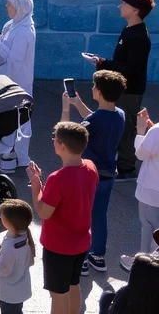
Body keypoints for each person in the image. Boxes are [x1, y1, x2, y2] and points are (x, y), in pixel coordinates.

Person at [28, 121, 98, 314]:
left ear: (63, 146)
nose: (53, 142)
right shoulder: (91, 167)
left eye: (55, 139)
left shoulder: (57, 178)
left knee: (58, 293)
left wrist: (36, 186)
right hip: (81, 241)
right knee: (73, 284)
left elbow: (43, 212)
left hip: (59, 246)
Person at [62, 69, 126, 275]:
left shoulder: (95, 120)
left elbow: (72, 134)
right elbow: (95, 118)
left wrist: (66, 108)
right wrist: (78, 103)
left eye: (93, 86)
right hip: (108, 174)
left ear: (98, 91)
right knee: (99, 216)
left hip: (88, 176)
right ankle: (97, 256)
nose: (92, 88)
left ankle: (81, 258)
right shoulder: (119, 114)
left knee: (81, 214)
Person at [94, 0, 151, 180]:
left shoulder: (139, 36)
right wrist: (104, 63)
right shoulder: (128, 30)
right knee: (120, 124)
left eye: (125, 4)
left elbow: (132, 68)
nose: (120, 6)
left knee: (127, 128)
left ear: (135, 10)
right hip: (121, 88)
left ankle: (127, 168)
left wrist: (105, 64)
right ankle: (122, 164)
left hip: (130, 90)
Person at [0, 0, 36, 172]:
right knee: (20, 118)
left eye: (10, 4)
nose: (6, 6)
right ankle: (18, 157)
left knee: (16, 118)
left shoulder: (23, 32)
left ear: (19, 8)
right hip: (14, 80)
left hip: (16, 81)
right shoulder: (15, 25)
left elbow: (15, 60)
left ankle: (9, 153)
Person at [127, 107, 159, 271]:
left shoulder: (156, 132)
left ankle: (144, 264)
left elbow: (140, 154)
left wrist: (141, 131)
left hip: (151, 190)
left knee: (149, 226)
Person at [0, 199, 36, 314]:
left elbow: (4, 270)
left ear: (8, 222)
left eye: (1, 216)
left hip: (9, 293)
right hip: (20, 289)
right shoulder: (25, 235)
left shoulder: (10, 247)